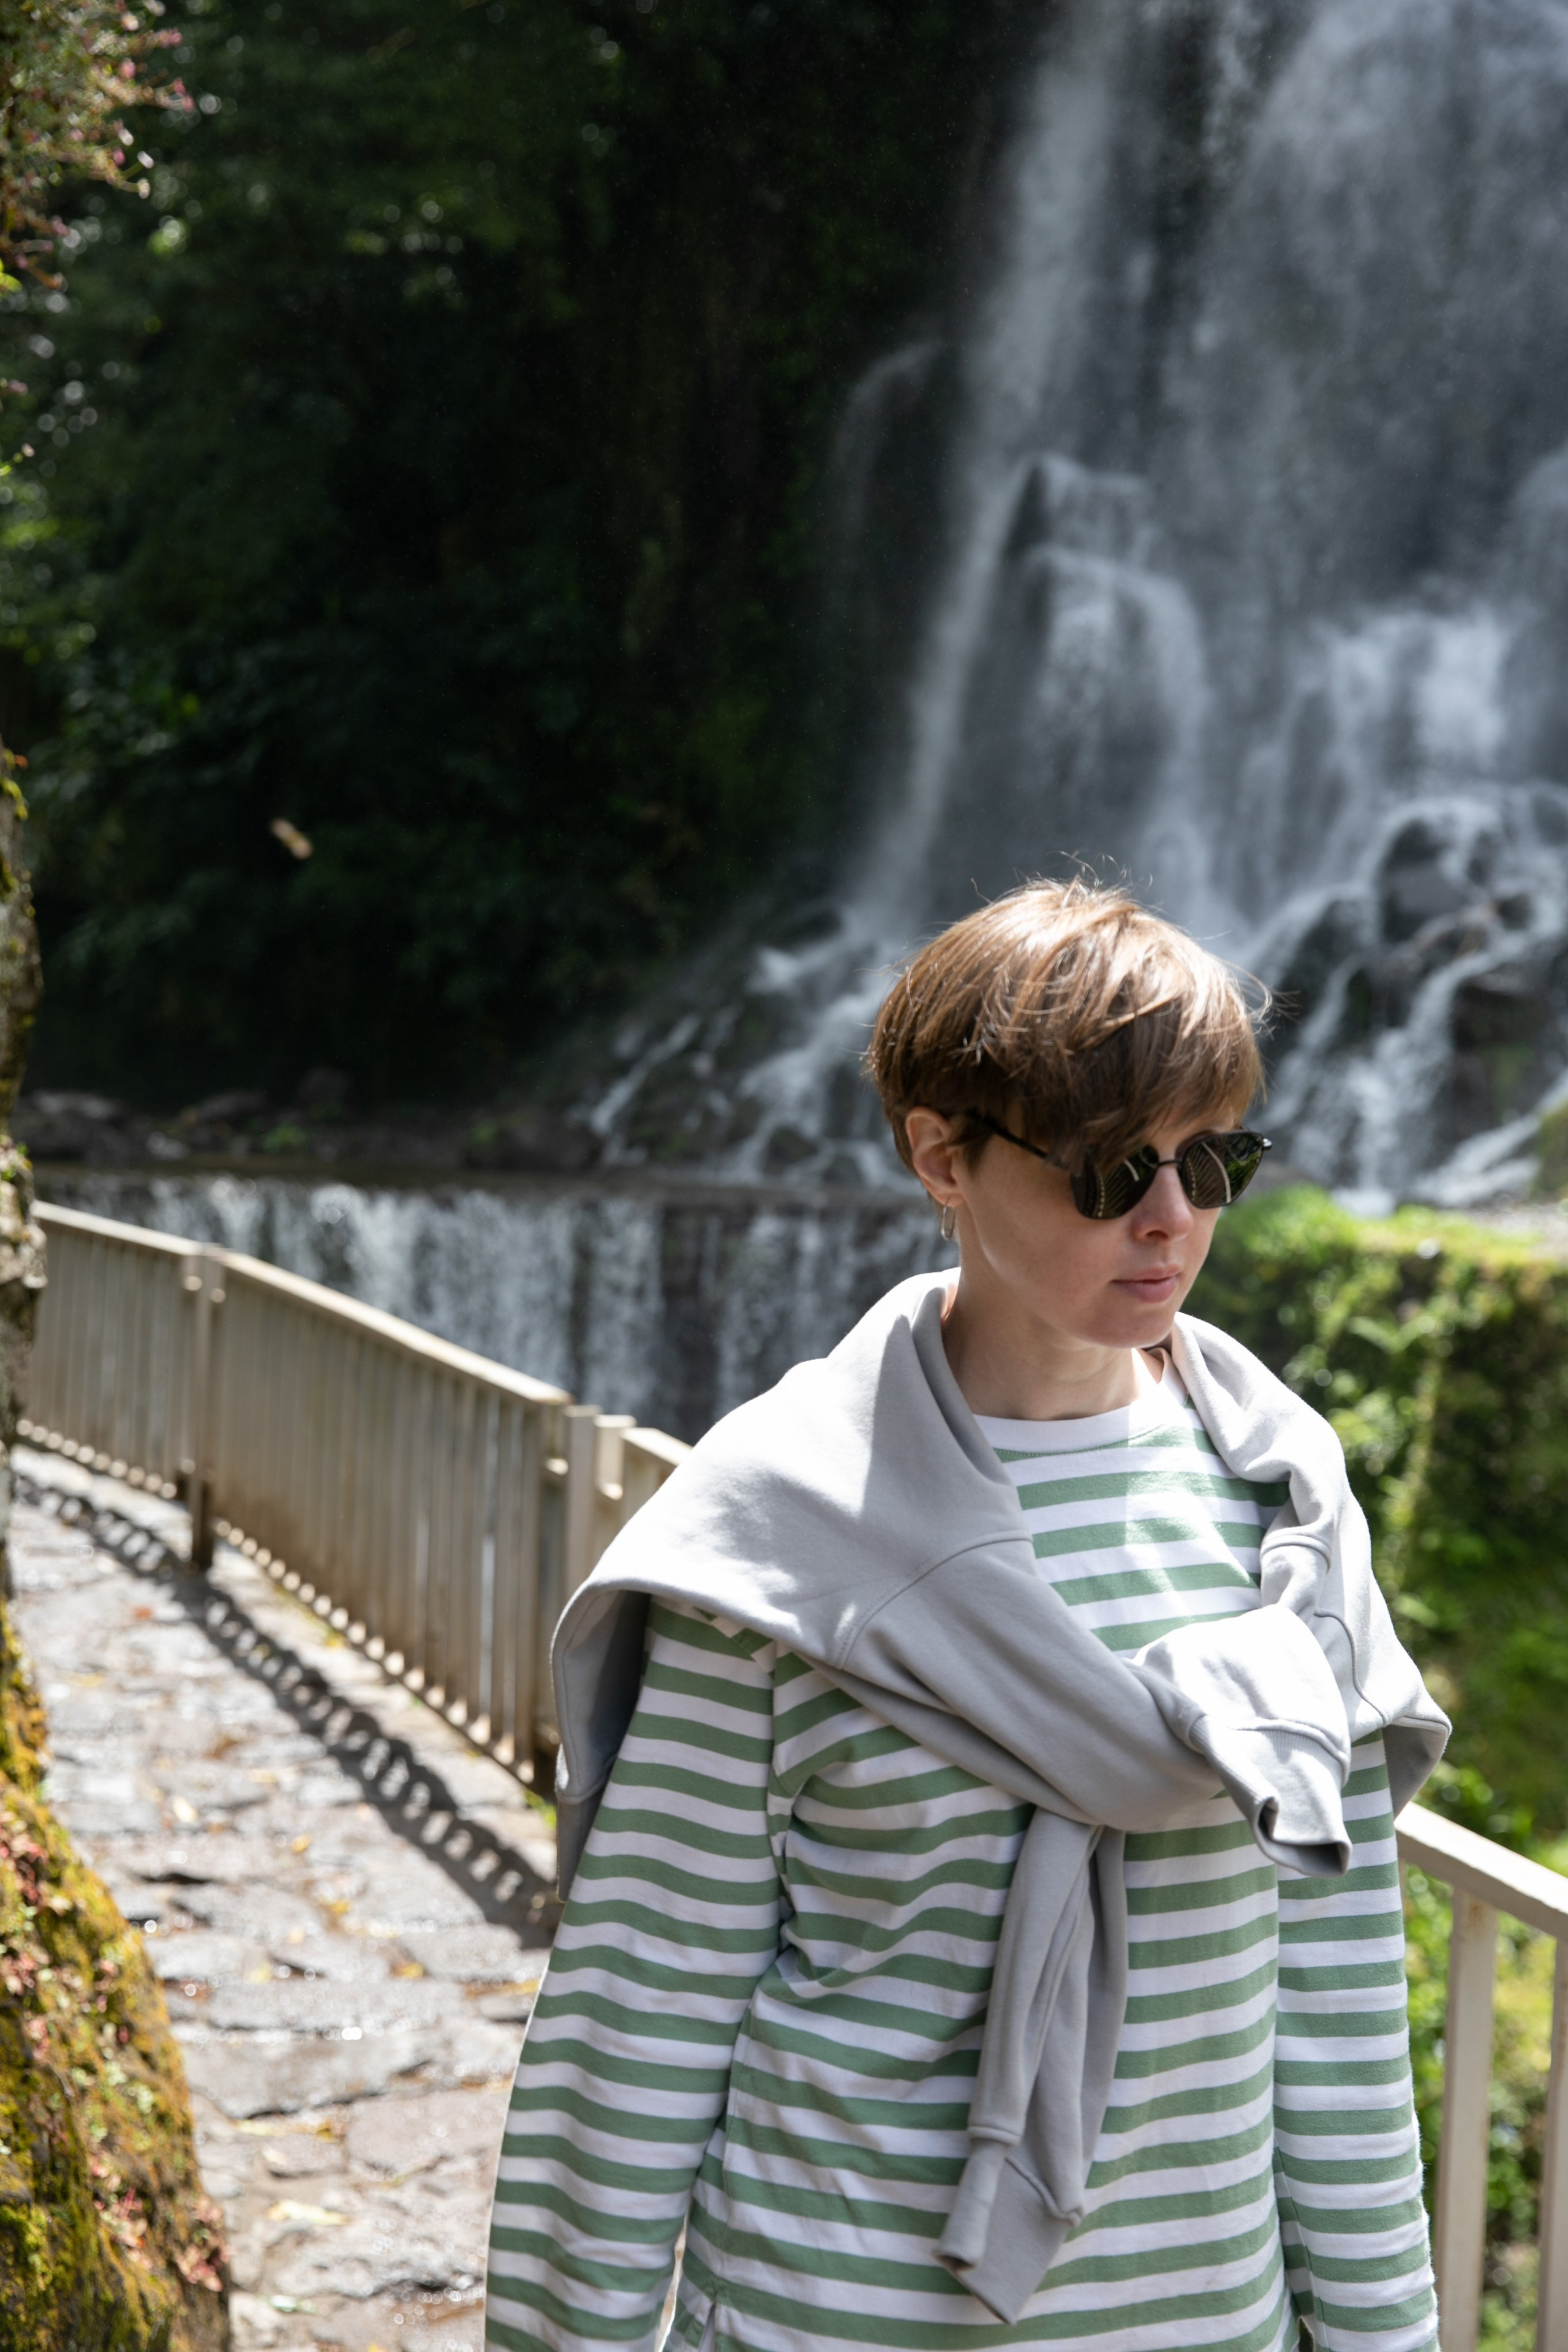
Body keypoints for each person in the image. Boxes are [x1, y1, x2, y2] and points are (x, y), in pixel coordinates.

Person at [486, 878, 1448, 2352]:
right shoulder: (781, 1537)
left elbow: (1332, 2022)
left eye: (1215, 1161)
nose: (1173, 1221)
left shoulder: (1288, 1518)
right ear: (939, 1155)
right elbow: (636, 2034)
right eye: (1109, 1172)